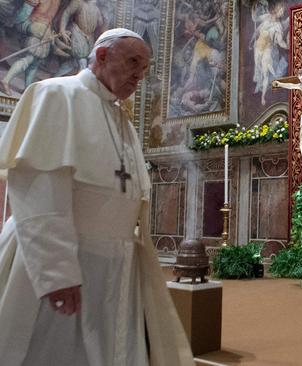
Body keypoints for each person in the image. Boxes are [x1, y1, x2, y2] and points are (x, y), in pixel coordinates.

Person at [0, 28, 193, 366]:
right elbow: (40, 187)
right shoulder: (57, 95)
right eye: (133, 61)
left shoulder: (122, 119)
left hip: (115, 265)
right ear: (102, 56)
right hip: (66, 259)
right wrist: (57, 272)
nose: (139, 74)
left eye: (145, 68)